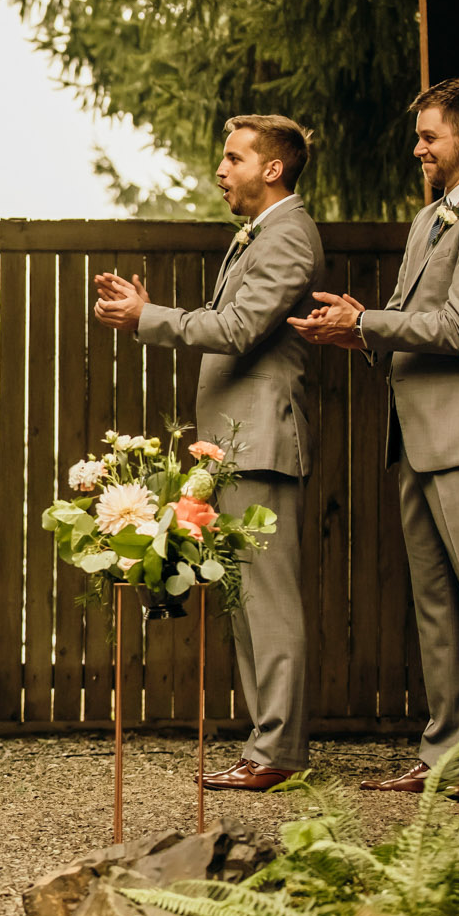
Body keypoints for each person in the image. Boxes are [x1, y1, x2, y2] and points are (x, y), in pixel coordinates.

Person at [291, 78, 459, 801]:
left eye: (429, 135)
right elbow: (410, 318)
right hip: (420, 436)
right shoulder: (429, 217)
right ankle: (450, 756)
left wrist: (365, 320)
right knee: (436, 607)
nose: (419, 148)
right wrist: (356, 331)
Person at [93, 115, 322, 791]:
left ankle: (279, 749)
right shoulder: (256, 234)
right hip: (236, 443)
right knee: (246, 602)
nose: (220, 170)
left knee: (270, 602)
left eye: (233, 158)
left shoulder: (288, 235)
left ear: (272, 168)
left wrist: (148, 317)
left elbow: (239, 327)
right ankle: (265, 745)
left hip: (264, 441)